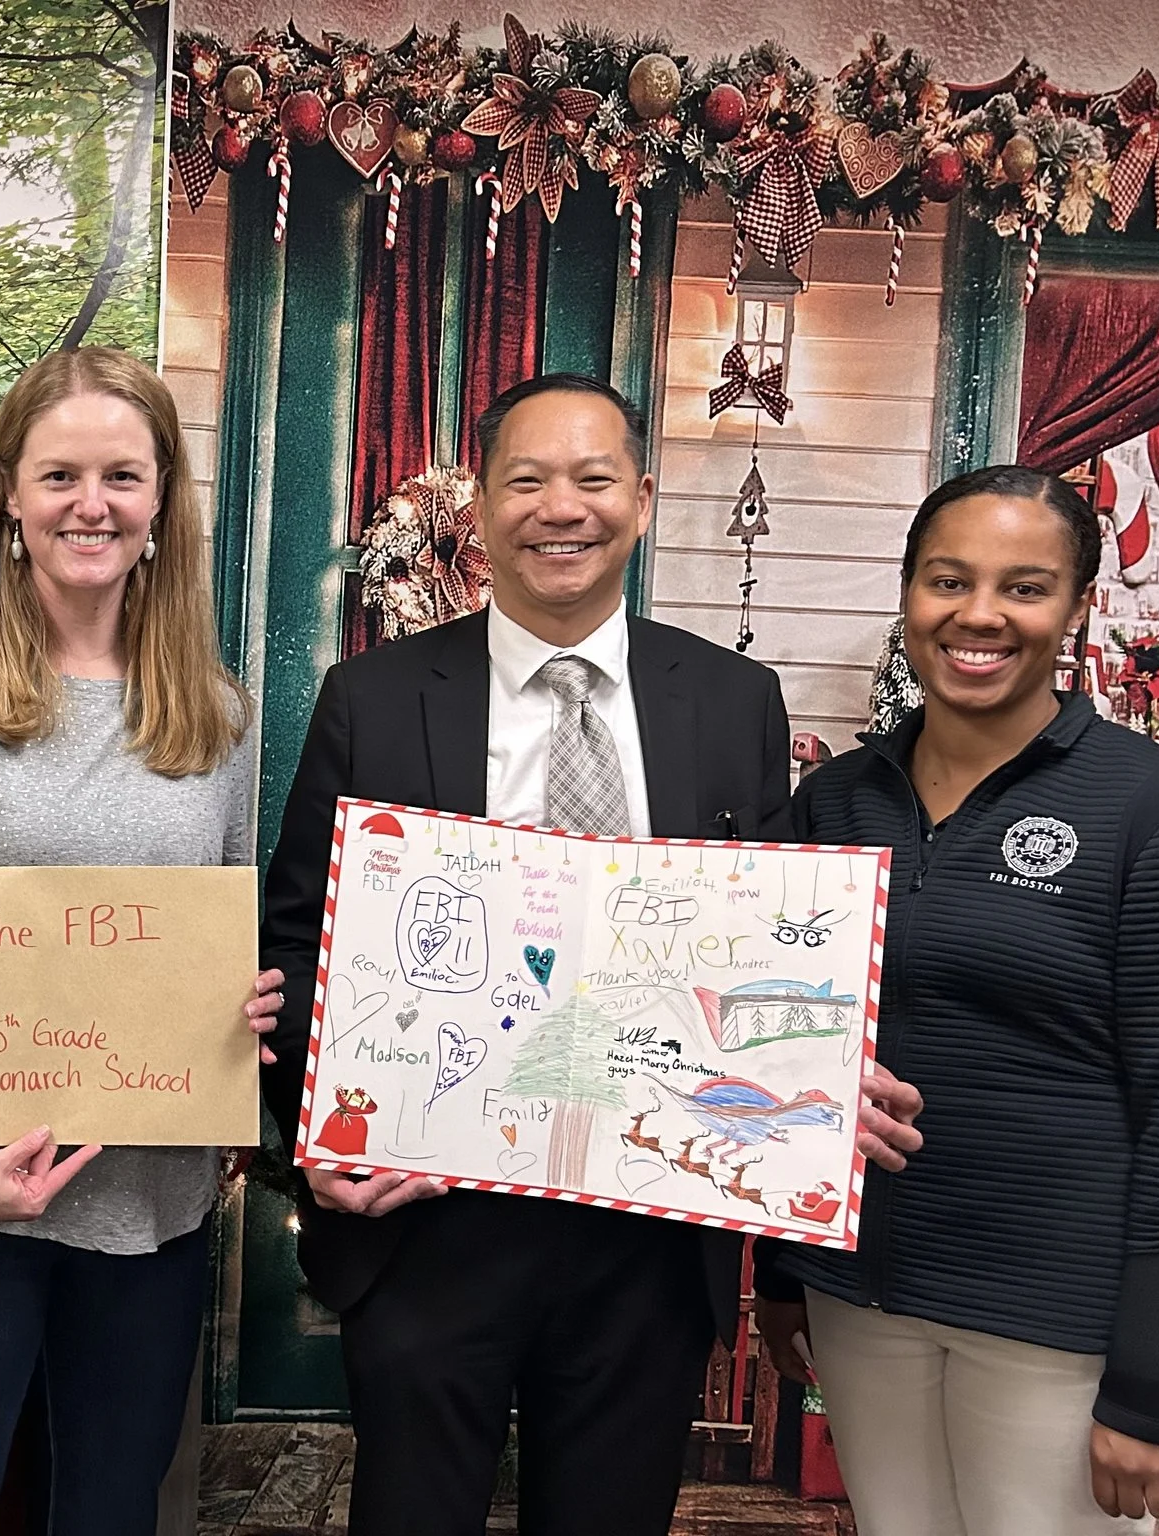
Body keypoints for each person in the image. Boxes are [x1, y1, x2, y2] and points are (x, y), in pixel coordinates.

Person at [257, 373, 923, 1536]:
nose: (558, 507)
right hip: (427, 1224)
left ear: (642, 500)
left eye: (592, 477)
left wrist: (812, 1083)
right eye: (525, 479)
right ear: (480, 507)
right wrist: (314, 1138)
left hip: (649, 1235)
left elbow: (762, 937)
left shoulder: (733, 702)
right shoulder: (371, 695)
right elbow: (297, 937)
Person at [0, 345, 282, 1536]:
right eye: (61, 476)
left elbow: (214, 920)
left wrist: (238, 1014)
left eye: (123, 477)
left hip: (147, 1195)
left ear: (160, 504)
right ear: (10, 501)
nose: (92, 504)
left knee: (109, 1513)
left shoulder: (218, 709)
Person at [753, 465, 1159, 1534]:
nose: (978, 615)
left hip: (1055, 1319)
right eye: (947, 580)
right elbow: (782, 1047)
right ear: (907, 597)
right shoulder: (835, 802)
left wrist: (1151, 1377)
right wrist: (783, 1276)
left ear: (1077, 606)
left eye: (1024, 587)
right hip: (862, 1301)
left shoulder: (1143, 802)